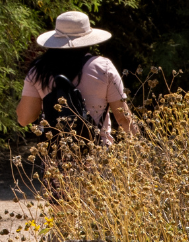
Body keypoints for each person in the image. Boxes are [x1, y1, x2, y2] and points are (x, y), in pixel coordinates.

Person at [16, 10, 137, 144]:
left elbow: (24, 118)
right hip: (98, 156)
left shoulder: (39, 71)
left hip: (55, 157)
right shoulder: (103, 67)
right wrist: (141, 148)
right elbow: (122, 118)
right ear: (88, 38)